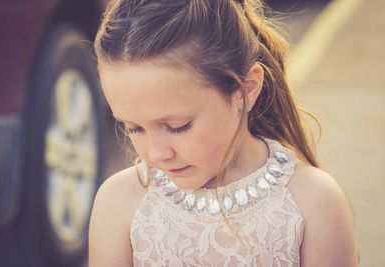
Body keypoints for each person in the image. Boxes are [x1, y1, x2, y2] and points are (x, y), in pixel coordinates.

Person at [88, 0, 358, 266]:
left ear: (248, 89)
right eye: (133, 127)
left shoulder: (313, 203)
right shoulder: (118, 203)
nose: (156, 153)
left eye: (178, 126)